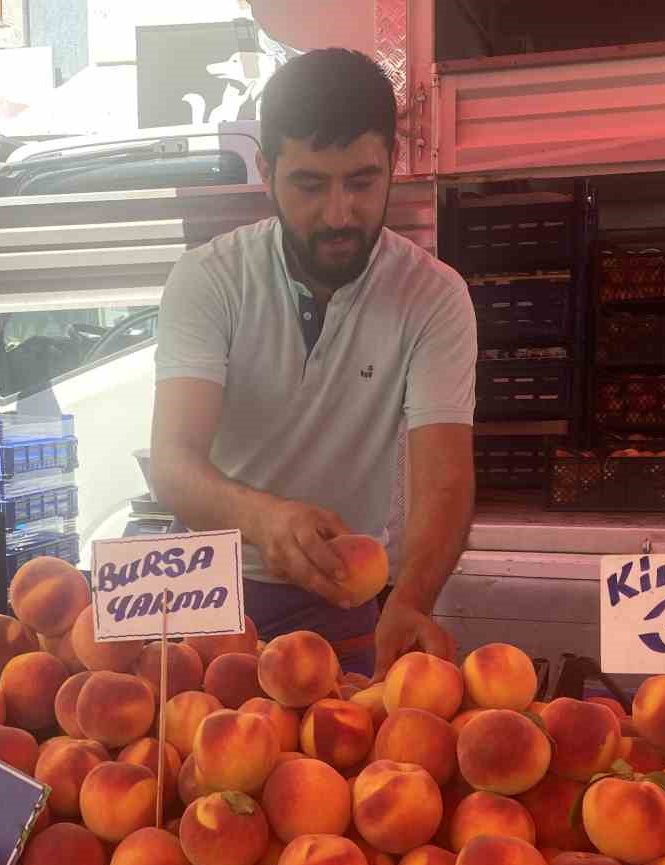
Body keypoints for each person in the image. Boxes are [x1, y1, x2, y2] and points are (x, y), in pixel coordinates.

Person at [149, 47, 477, 679]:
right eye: (309, 184)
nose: (338, 214)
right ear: (267, 171)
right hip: (210, 597)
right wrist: (262, 519)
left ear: (391, 165)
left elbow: (445, 483)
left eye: (361, 181)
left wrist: (410, 601)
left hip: (345, 602)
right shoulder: (208, 280)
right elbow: (173, 461)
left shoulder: (435, 296)